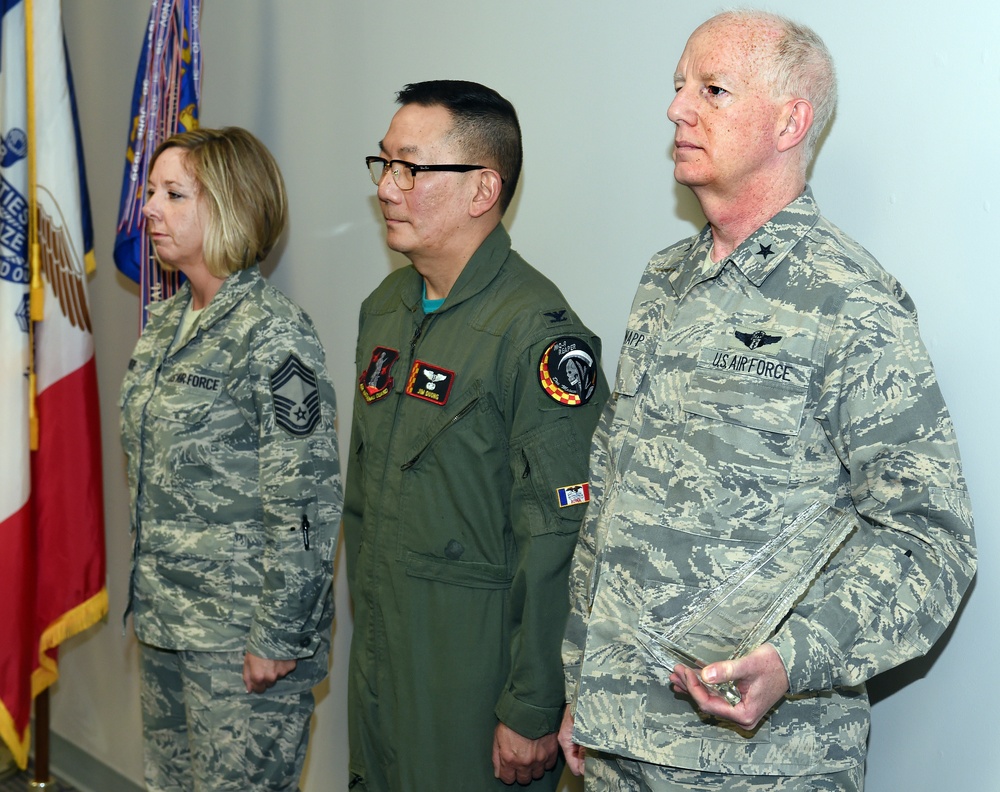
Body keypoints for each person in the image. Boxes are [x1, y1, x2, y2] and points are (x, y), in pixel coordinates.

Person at [560, 10, 976, 792]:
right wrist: (584, 685)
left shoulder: (850, 303)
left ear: (791, 120)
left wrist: (793, 660)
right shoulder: (662, 283)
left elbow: (931, 543)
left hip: (758, 766)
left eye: (712, 89)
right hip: (617, 746)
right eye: (678, 87)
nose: (678, 108)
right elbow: (610, 501)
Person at [344, 80, 609, 791]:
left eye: (411, 168)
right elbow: (362, 502)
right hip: (383, 655)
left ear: (482, 189)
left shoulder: (536, 334)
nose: (388, 189)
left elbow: (562, 536)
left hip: (473, 678)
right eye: (384, 165)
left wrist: (531, 704)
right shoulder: (387, 308)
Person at [119, 126, 342, 791]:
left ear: (228, 207)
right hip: (166, 621)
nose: (149, 209)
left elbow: (306, 497)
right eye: (151, 191)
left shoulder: (274, 332)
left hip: (239, 637)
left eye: (173, 194)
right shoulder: (164, 324)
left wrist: (276, 634)